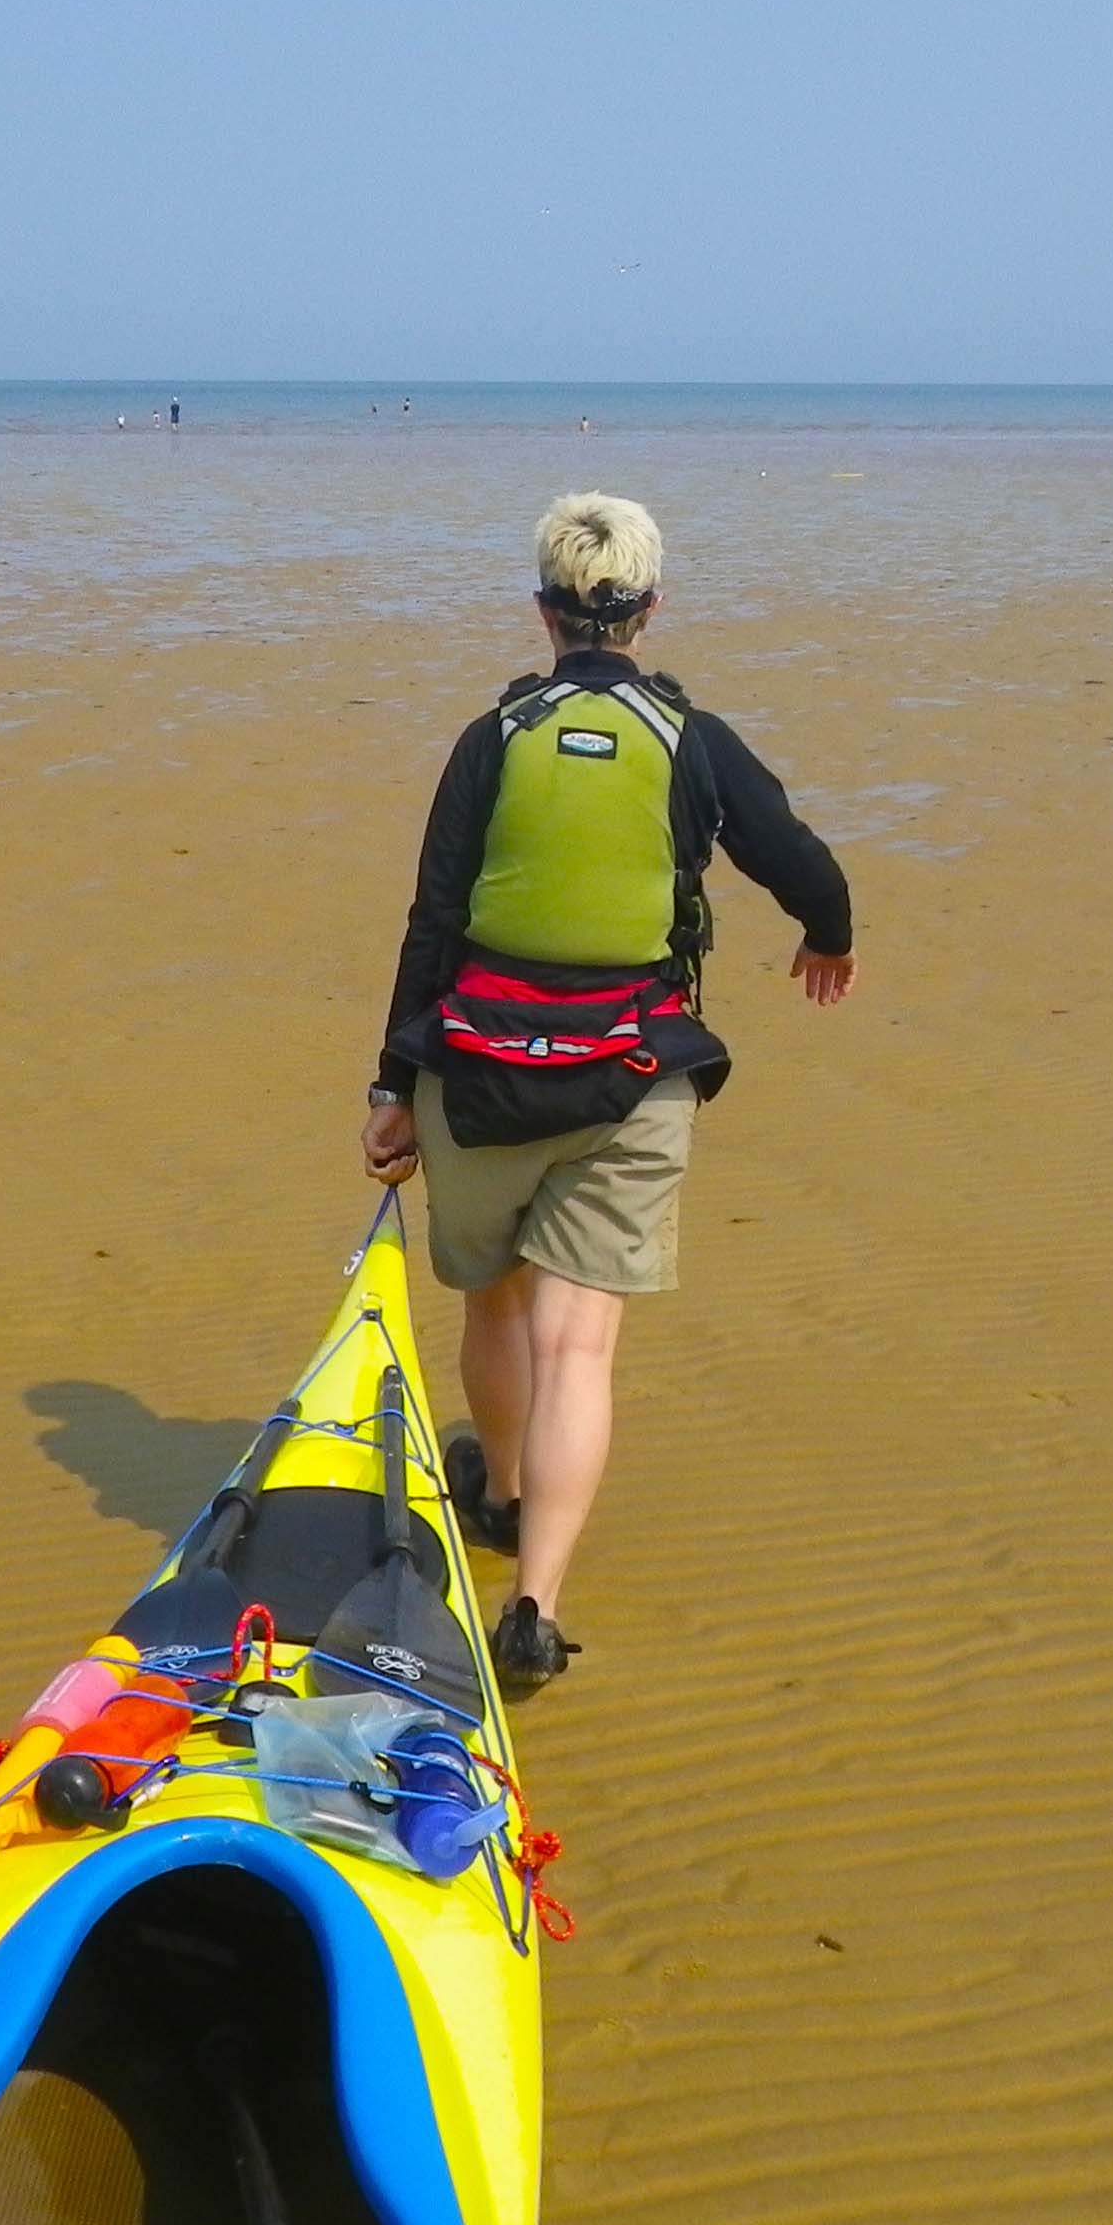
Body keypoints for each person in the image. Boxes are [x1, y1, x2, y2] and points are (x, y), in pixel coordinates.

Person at [360, 492, 854, 1695]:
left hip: (477, 1074)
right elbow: (801, 862)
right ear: (651, 608)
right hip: (630, 1074)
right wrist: (827, 936)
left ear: (543, 610)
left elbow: (434, 919)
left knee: (494, 1305)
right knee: (577, 1347)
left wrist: (391, 1084)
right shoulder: (691, 738)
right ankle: (535, 1603)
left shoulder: (493, 737)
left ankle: (503, 1492)